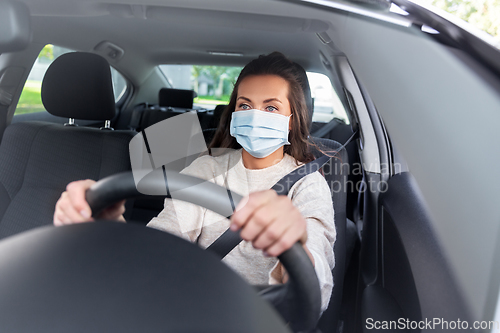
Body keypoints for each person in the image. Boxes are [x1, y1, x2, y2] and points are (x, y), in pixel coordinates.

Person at [53, 52, 336, 312]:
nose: (255, 116)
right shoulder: (207, 166)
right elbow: (161, 246)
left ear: (292, 119)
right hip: (193, 309)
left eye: (271, 108)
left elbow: (316, 286)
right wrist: (108, 228)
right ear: (235, 113)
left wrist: (296, 247)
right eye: (245, 105)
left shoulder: (308, 184)